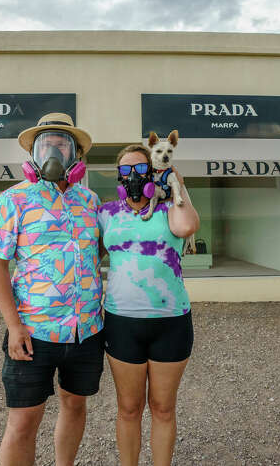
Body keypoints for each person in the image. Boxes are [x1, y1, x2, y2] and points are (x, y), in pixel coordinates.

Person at [0, 112, 104, 466]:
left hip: (86, 331)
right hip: (32, 333)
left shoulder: (90, 202)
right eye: (46, 144)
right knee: (23, 421)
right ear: (34, 153)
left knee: (75, 405)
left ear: (76, 156)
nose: (53, 149)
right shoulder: (13, 199)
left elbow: (96, 252)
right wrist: (13, 325)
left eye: (62, 143)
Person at [97, 144, 200, 466]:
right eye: (125, 170)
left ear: (153, 172)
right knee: (128, 409)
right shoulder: (106, 213)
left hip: (171, 322)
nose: (132, 176)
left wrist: (174, 180)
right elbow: (88, 255)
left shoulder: (170, 209)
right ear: (118, 176)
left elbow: (186, 228)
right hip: (122, 323)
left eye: (140, 169)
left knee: (163, 408)